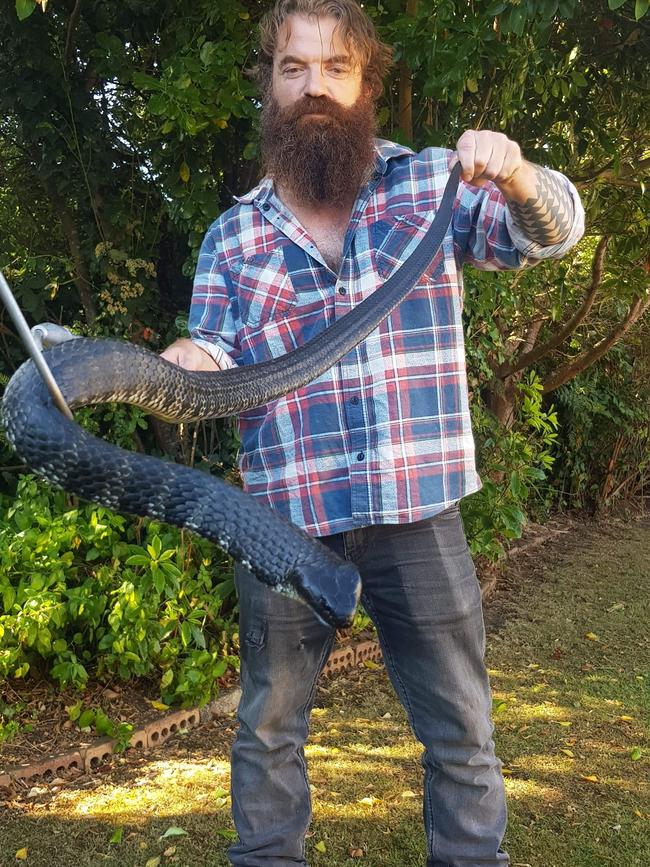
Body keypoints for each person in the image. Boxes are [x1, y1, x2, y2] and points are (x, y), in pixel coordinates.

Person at [162, 1, 584, 863]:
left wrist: (517, 175)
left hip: (417, 507)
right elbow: (208, 356)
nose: (314, 86)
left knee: (463, 732)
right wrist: (175, 367)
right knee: (267, 731)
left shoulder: (432, 187)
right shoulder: (233, 236)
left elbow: (556, 234)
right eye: (293, 68)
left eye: (335, 68)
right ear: (269, 87)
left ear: (365, 84)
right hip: (280, 520)